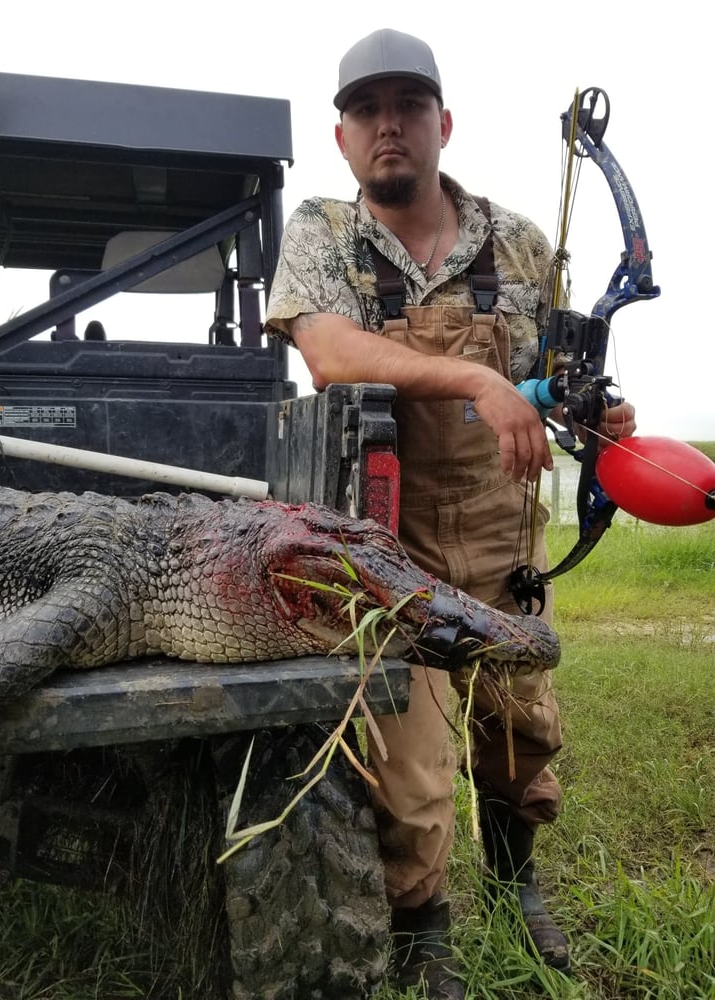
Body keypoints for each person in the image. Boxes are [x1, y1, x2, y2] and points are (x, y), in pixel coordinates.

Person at [264, 28, 635, 999]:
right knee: (412, 770)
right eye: (367, 109)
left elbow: (554, 382)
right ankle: (424, 928)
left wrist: (596, 409)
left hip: (503, 538)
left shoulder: (519, 241)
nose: (389, 124)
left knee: (522, 735)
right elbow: (332, 353)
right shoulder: (322, 232)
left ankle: (519, 883)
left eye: (408, 105)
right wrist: (474, 370)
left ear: (443, 123)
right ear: (343, 137)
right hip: (389, 547)